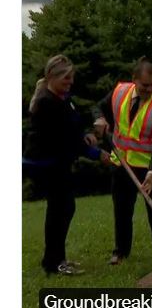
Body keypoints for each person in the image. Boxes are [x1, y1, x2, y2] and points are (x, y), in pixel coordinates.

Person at [23, 55, 109, 275]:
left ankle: (56, 259)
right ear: (52, 76)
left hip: (58, 161)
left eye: (72, 77)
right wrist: (96, 153)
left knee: (63, 208)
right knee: (60, 209)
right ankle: (53, 263)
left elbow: (73, 126)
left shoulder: (62, 97)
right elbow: (65, 140)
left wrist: (88, 134)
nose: (70, 81)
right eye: (66, 78)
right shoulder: (46, 102)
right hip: (45, 163)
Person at [94, 58, 152, 265]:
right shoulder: (120, 92)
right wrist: (100, 118)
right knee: (121, 209)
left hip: (147, 168)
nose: (149, 90)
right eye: (145, 85)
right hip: (121, 163)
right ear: (134, 80)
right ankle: (120, 251)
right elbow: (99, 107)